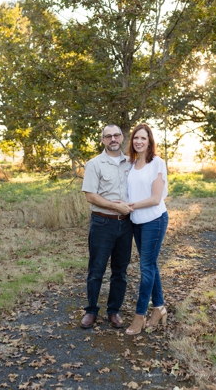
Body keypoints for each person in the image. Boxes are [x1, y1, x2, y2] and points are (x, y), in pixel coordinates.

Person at [80, 124, 134, 329]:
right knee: (96, 270)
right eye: (108, 136)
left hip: (126, 225)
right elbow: (90, 196)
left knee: (120, 271)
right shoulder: (94, 164)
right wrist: (115, 207)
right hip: (102, 223)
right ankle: (91, 311)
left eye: (116, 135)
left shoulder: (132, 163)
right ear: (102, 140)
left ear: (122, 138)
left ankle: (114, 311)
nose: (113, 139)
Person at [122, 123, 170, 335]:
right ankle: (159, 308)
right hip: (136, 221)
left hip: (154, 219)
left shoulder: (157, 163)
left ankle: (139, 316)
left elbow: (155, 198)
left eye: (143, 138)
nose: (139, 141)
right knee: (150, 265)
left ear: (150, 141)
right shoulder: (131, 164)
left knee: (146, 267)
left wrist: (129, 206)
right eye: (135, 138)